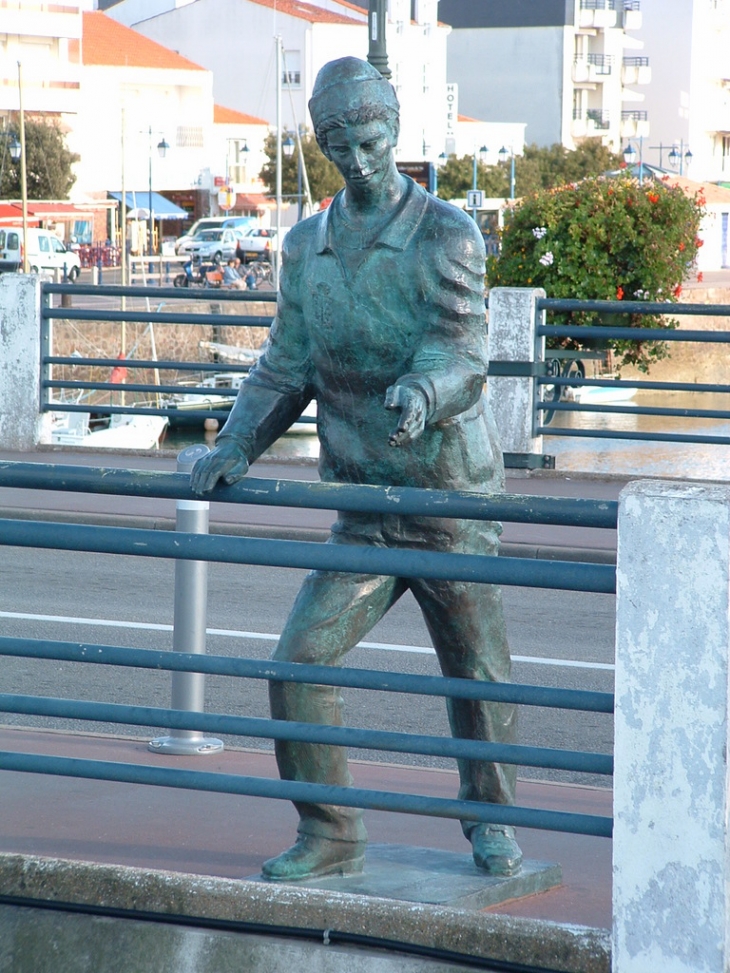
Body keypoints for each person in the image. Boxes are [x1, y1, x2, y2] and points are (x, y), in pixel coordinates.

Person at [191, 56, 521, 883]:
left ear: (395, 131)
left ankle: (492, 824)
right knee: (297, 665)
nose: (360, 160)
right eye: (341, 147)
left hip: (450, 493)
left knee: (477, 674)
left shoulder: (448, 233)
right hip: (364, 500)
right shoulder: (308, 247)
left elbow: (465, 352)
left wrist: (425, 390)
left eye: (370, 140)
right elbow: (284, 368)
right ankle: (332, 832)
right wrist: (234, 444)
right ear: (324, 146)